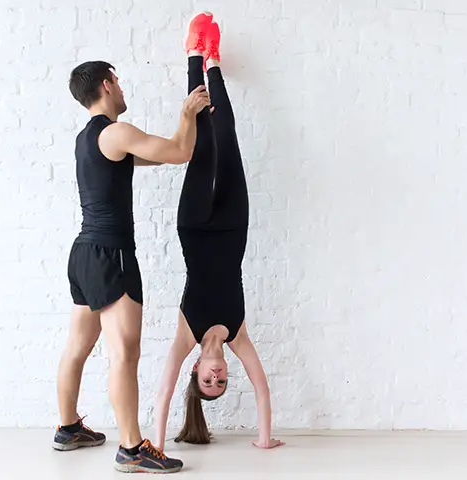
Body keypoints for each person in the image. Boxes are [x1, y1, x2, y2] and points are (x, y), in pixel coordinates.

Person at [53, 59, 211, 474]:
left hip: (84, 254)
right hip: (111, 254)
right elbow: (180, 152)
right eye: (118, 83)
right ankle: (131, 448)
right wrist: (187, 114)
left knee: (78, 348)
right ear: (107, 85)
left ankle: (68, 428)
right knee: (124, 354)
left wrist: (175, 138)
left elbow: (157, 158)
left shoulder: (87, 140)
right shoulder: (116, 132)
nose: (122, 90)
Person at [153, 13, 285, 451]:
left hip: (194, 226)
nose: (216, 376)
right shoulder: (239, 333)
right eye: (221, 381)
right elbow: (263, 389)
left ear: (196, 372)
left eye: (207, 382)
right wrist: (264, 441)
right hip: (233, 225)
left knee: (203, 144)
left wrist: (155, 444)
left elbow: (163, 392)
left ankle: (194, 52)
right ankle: (212, 61)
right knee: (225, 133)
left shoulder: (185, 335)